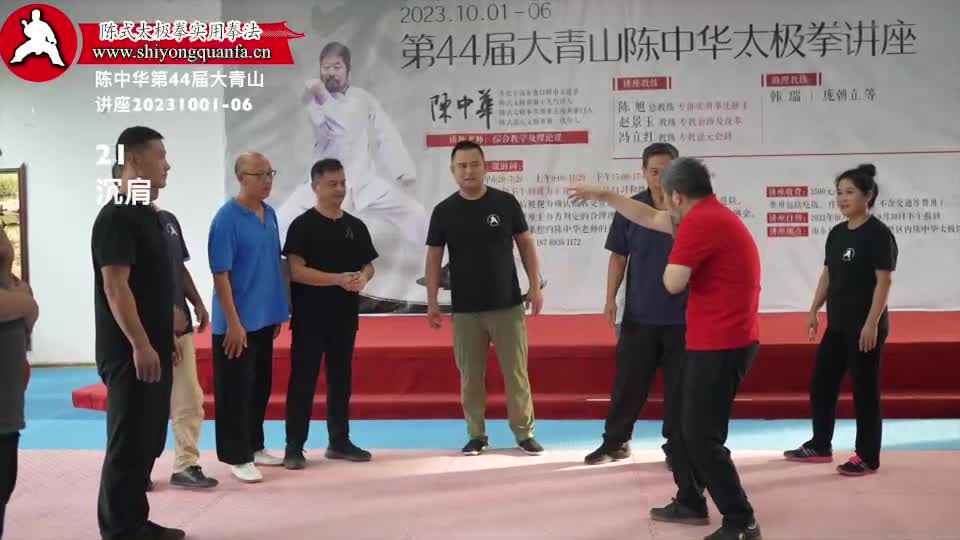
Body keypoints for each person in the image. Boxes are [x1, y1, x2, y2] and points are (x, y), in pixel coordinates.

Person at [569, 157, 763, 540]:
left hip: (722, 342)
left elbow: (672, 282)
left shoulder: (700, 224)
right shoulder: (710, 214)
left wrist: (675, 256)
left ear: (676, 196)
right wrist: (606, 196)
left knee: (701, 437)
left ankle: (742, 521)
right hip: (720, 338)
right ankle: (691, 501)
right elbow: (649, 217)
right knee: (689, 431)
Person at [276, 41, 446, 291]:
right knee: (280, 221)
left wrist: (403, 169)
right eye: (326, 67)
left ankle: (440, 269)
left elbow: (384, 131)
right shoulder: (314, 100)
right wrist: (321, 94)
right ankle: (278, 275)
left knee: (415, 212)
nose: (330, 73)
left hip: (364, 179)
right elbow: (336, 128)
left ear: (348, 70)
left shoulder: (362, 99)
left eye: (336, 67)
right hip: (323, 185)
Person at [91, 126, 184, 540]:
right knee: (128, 440)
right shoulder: (117, 216)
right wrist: (141, 344)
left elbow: (153, 285)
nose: (167, 165)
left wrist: (164, 339)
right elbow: (116, 286)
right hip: (128, 351)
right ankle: (119, 529)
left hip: (153, 345)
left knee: (148, 438)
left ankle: (134, 520)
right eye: (160, 156)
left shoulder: (149, 215)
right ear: (134, 160)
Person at [424, 140, 545, 456]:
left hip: (507, 305)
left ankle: (524, 433)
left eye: (474, 164)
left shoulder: (505, 203)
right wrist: (432, 302)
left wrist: (535, 286)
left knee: (516, 373)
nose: (469, 171)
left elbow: (526, 245)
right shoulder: (444, 211)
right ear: (453, 170)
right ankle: (476, 434)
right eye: (462, 166)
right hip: (466, 310)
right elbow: (434, 258)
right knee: (470, 377)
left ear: (485, 167)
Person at [784, 164, 897, 476]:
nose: (843, 198)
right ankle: (820, 444)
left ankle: (867, 456)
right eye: (839, 193)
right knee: (822, 384)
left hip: (865, 328)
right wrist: (813, 310)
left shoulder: (878, 234)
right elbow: (828, 275)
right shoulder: (837, 233)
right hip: (837, 325)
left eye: (850, 192)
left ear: (868, 196)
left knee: (865, 392)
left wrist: (872, 323)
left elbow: (884, 282)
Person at [585, 143, 687, 468]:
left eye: (666, 171)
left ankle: (677, 450)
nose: (660, 178)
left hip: (684, 318)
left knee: (679, 390)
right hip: (639, 315)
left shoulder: (689, 210)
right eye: (654, 171)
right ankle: (615, 442)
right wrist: (610, 299)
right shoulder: (631, 208)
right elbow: (618, 257)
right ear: (643, 173)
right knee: (628, 385)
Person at [282, 158, 378, 469]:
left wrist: (363, 277)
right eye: (332, 184)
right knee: (303, 381)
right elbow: (296, 271)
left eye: (342, 183)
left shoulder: (355, 226)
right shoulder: (302, 226)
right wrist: (337, 279)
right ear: (315, 187)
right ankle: (294, 446)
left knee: (341, 380)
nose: (339, 189)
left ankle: (339, 441)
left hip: (344, 317)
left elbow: (368, 264)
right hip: (310, 318)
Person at [208, 152, 290, 483]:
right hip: (235, 323)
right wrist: (233, 323)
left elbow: (270, 265)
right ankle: (236, 455)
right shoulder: (226, 218)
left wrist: (276, 311)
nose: (268, 180)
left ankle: (254, 446)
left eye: (270, 173)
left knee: (259, 387)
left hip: (263, 318)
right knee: (234, 392)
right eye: (260, 175)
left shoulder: (270, 214)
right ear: (242, 178)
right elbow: (221, 274)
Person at [155, 204, 218, 489]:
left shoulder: (168, 219)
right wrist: (161, 325)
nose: (163, 181)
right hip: (147, 332)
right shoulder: (124, 222)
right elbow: (125, 284)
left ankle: (185, 464)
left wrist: (197, 301)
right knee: (147, 405)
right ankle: (137, 468)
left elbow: (178, 267)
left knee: (189, 398)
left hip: (180, 327)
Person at [0, 226, 37, 540]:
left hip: (7, 414)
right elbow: (27, 306)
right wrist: (24, 304)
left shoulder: (16, 287)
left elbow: (29, 305)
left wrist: (23, 303)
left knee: (3, 485)